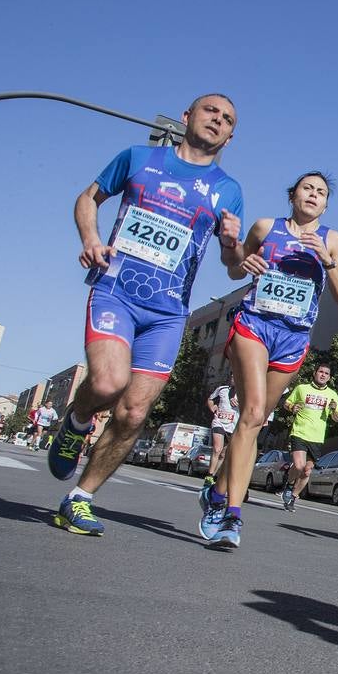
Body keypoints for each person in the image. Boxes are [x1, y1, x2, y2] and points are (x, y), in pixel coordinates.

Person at [47, 93, 244, 535]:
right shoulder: (137, 158)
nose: (218, 120)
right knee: (106, 383)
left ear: (231, 136)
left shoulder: (228, 190)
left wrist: (233, 243)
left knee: (134, 413)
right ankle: (78, 420)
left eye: (228, 119)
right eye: (211, 111)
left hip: (169, 313)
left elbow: (233, 267)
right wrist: (91, 239)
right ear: (187, 117)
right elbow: (87, 198)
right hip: (116, 292)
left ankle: (80, 498)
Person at [200, 172, 338, 547]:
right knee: (252, 414)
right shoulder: (266, 227)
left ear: (326, 204)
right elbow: (236, 267)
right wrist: (241, 261)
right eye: (307, 188)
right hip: (255, 325)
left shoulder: (333, 240)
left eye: (321, 192)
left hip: (293, 338)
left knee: (253, 424)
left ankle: (218, 492)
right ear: (293, 195)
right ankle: (232, 515)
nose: (313, 195)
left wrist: (327, 262)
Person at [279, 364, 338, 514]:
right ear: (315, 373)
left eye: (326, 373)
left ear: (329, 377)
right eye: (320, 372)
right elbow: (287, 403)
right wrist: (292, 408)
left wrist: (334, 409)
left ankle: (293, 497)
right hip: (300, 432)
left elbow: (337, 418)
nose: (323, 375)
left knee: (307, 471)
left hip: (317, 437)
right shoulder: (302, 388)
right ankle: (288, 486)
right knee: (300, 465)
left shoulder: (332, 395)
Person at [203, 383, 239, 487]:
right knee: (217, 449)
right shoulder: (222, 389)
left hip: (233, 426)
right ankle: (209, 475)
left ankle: (213, 476)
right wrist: (212, 406)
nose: (233, 379)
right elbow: (210, 399)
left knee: (223, 454)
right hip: (219, 422)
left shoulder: (245, 391)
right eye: (232, 377)